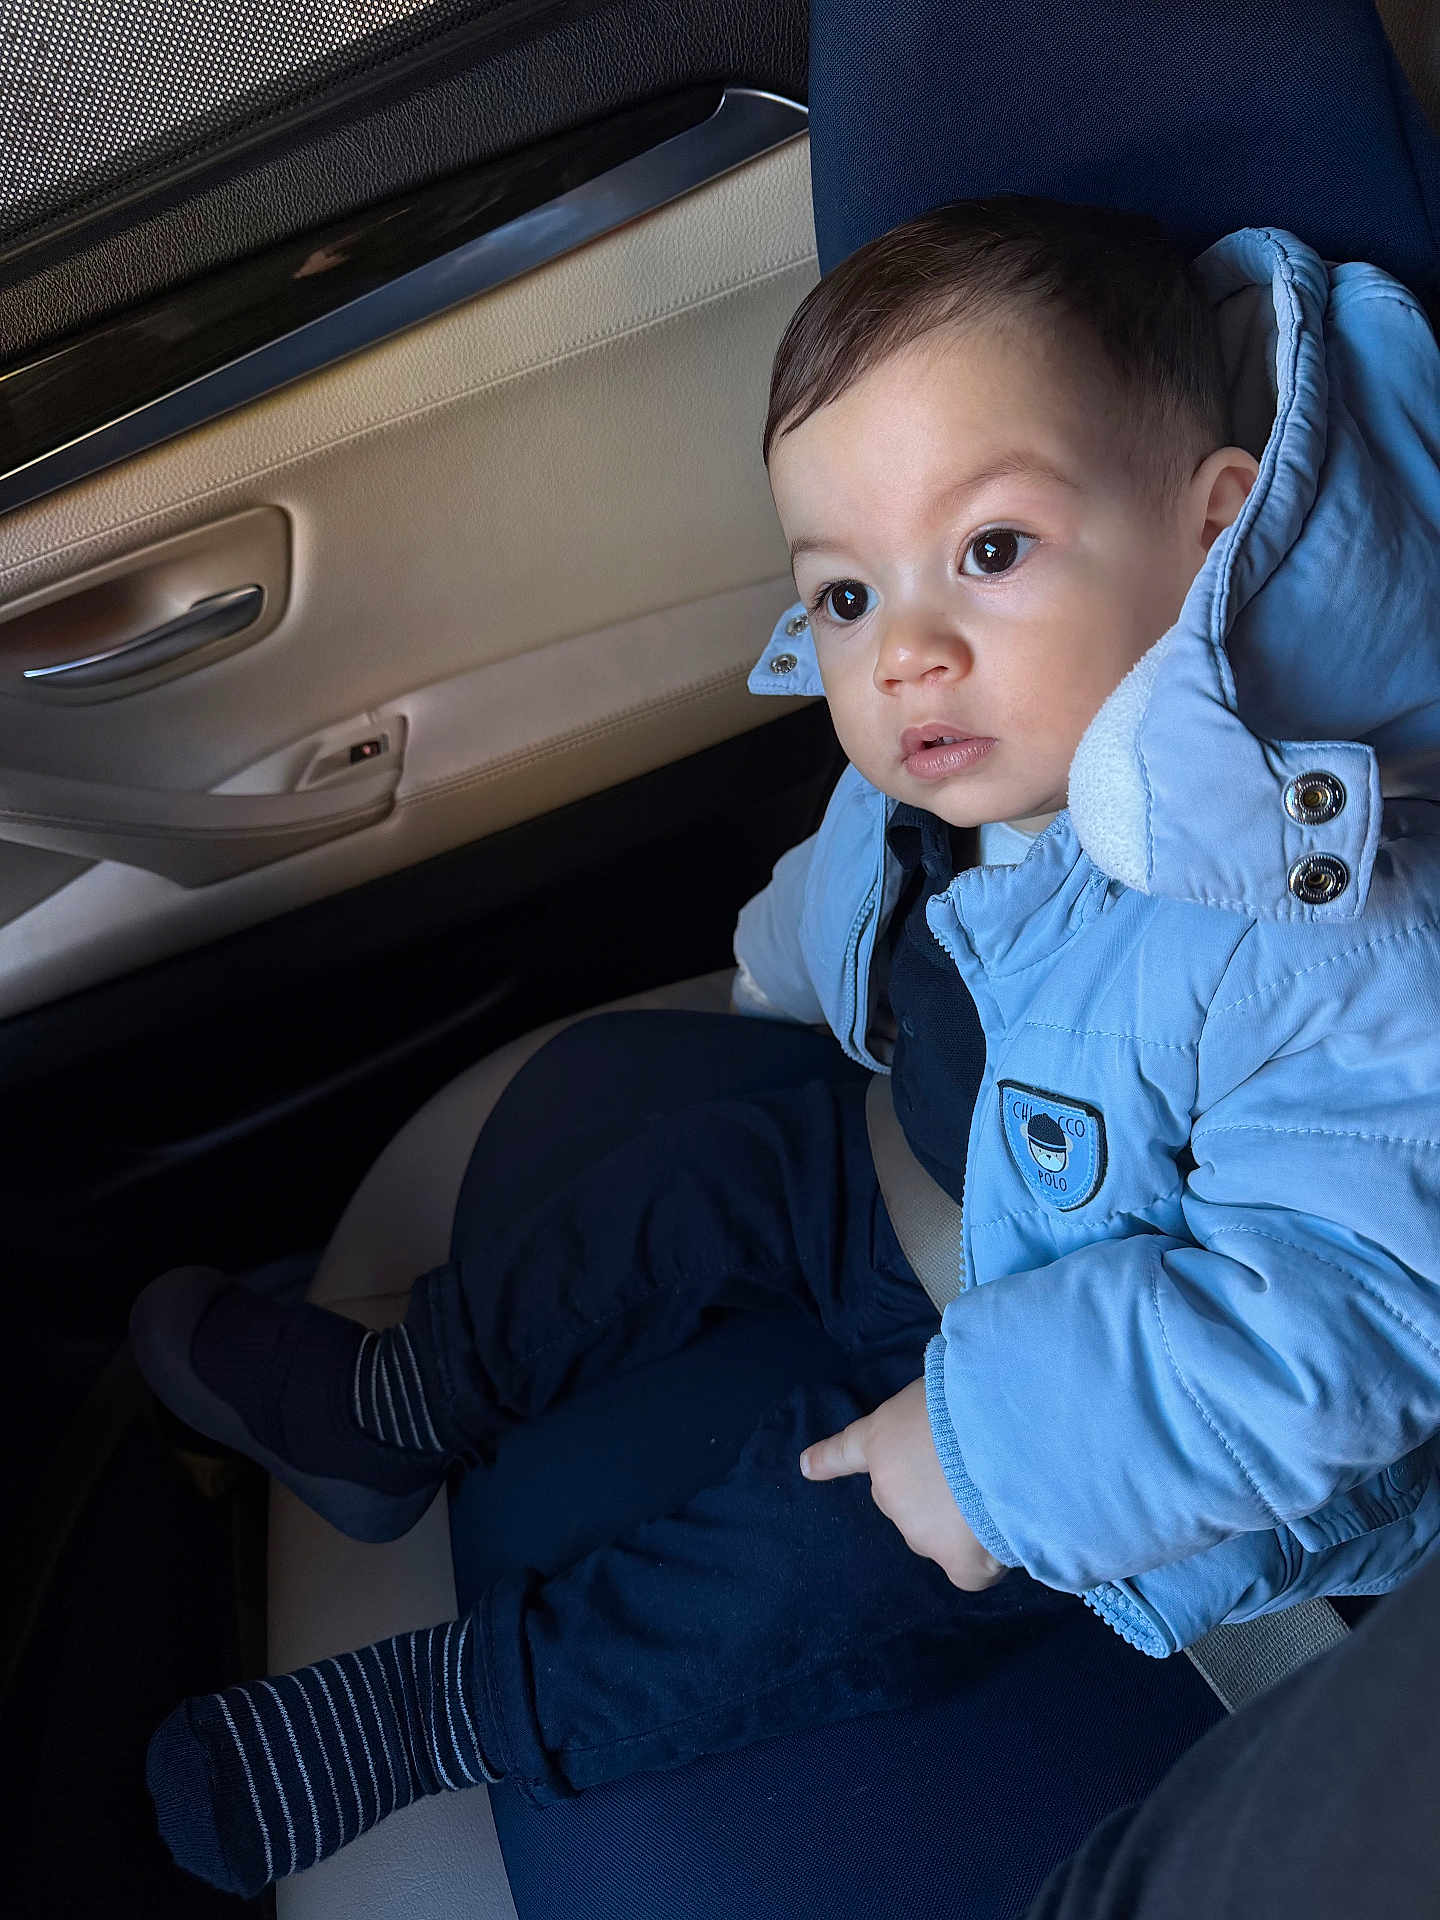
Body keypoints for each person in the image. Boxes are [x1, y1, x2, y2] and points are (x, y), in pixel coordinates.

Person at [131, 190, 1440, 1899]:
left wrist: (993, 1455)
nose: (905, 648)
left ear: (1213, 531)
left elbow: (1354, 1322)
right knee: (699, 1181)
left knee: (819, 1553)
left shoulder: (1323, 917)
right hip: (938, 1179)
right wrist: (775, 972)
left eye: (989, 550)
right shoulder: (990, 738)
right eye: (840, 595)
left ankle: (460, 1711)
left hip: (1138, 1437)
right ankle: (405, 1396)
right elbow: (850, 891)